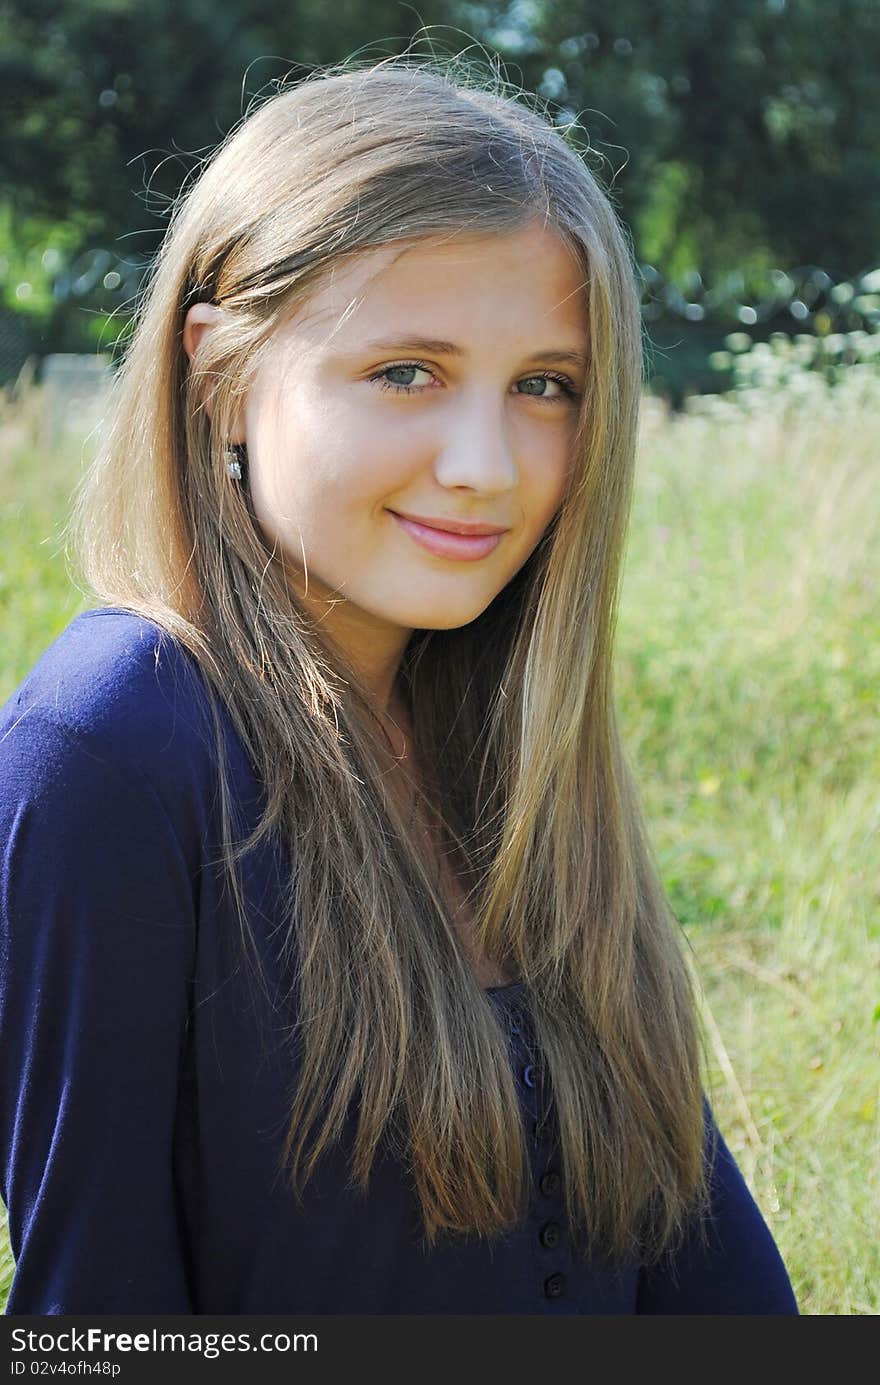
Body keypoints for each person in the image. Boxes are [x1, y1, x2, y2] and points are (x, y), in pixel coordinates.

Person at [0, 56, 798, 1315]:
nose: (485, 466)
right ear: (221, 378)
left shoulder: (510, 735)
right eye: (405, 373)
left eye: (545, 385)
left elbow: (703, 1267)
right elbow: (90, 1319)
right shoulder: (113, 744)